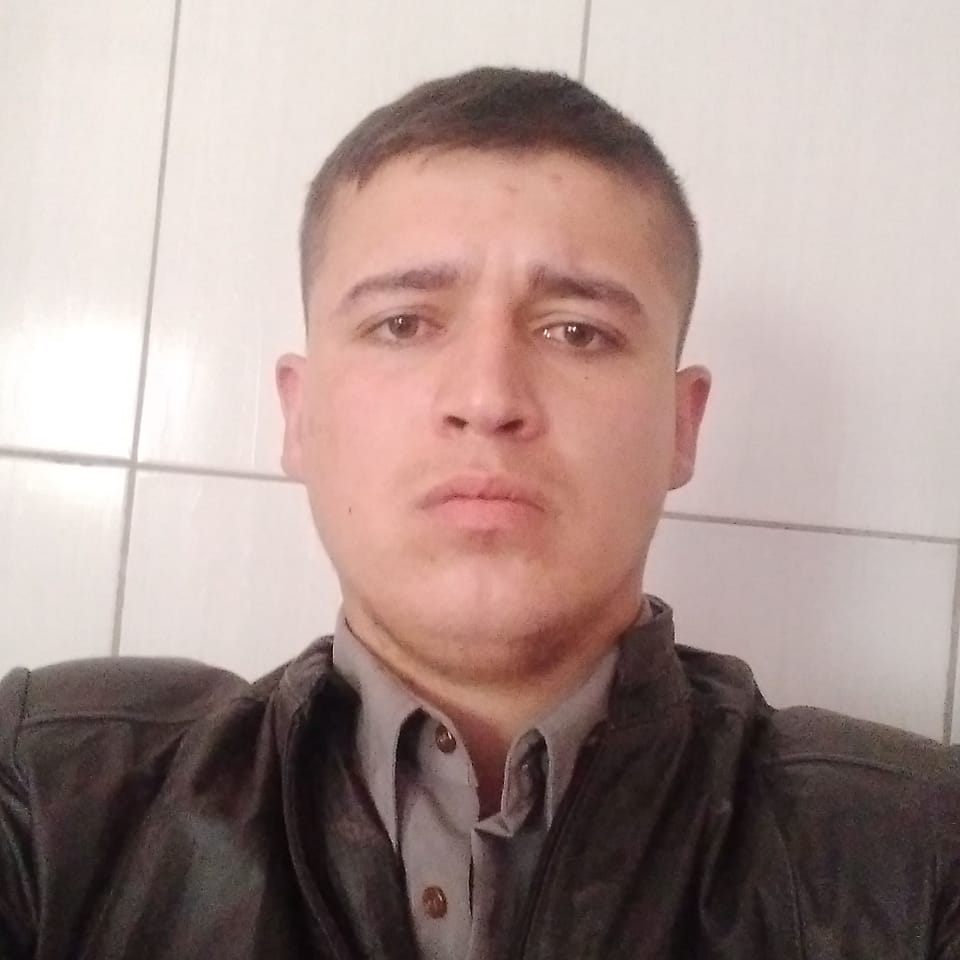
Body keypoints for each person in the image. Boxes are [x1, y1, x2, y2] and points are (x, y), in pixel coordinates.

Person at [1, 66, 958, 960]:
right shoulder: (51, 792)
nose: (488, 397)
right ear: (301, 416)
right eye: (403, 323)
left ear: (681, 425)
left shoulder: (919, 856)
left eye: (577, 331)